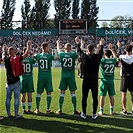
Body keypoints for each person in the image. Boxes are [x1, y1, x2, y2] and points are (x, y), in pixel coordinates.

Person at [76, 38, 104, 119]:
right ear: (93, 50)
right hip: (94, 80)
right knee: (94, 97)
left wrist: (78, 43)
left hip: (86, 80)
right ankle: (94, 113)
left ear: (87, 50)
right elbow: (101, 52)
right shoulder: (97, 57)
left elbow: (79, 51)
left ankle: (84, 113)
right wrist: (101, 45)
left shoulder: (84, 57)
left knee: (84, 97)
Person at [2, 40, 31, 119]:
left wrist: (4, 50)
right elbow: (25, 55)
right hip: (16, 82)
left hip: (8, 82)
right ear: (13, 52)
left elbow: (3, 56)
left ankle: (8, 114)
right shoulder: (17, 59)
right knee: (16, 98)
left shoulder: (6, 60)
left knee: (8, 98)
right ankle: (16, 114)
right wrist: (28, 46)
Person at [56, 39, 80, 115]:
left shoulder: (62, 55)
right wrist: (80, 44)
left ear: (65, 48)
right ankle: (75, 110)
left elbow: (58, 50)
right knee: (73, 93)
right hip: (71, 77)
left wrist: (58, 43)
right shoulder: (73, 55)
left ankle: (60, 110)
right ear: (71, 48)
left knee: (62, 93)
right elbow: (79, 51)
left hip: (63, 77)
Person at [34, 42, 55, 114]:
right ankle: (48, 109)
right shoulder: (49, 56)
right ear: (45, 48)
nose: (49, 48)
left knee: (39, 93)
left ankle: (37, 109)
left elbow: (35, 59)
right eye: (48, 47)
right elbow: (56, 58)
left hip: (40, 77)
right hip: (48, 77)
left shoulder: (38, 56)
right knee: (48, 93)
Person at [98, 43, 117, 116]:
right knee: (111, 96)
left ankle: (101, 111)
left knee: (102, 96)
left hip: (104, 80)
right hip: (111, 80)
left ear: (104, 55)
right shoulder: (113, 60)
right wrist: (112, 50)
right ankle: (111, 111)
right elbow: (116, 57)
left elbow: (98, 58)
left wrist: (100, 48)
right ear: (110, 54)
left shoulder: (103, 60)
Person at [118, 44, 133, 114]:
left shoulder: (122, 57)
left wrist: (118, 47)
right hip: (132, 77)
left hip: (124, 77)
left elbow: (117, 56)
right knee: (132, 93)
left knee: (124, 94)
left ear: (125, 50)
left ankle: (124, 110)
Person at [20, 48, 35, 114]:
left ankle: (23, 109)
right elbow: (35, 60)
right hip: (29, 79)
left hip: (22, 78)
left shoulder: (21, 60)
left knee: (23, 95)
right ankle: (29, 109)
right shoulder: (31, 60)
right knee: (29, 94)